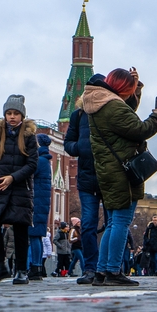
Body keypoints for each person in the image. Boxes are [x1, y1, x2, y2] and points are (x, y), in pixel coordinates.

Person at [83, 69, 157, 287]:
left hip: (108, 170)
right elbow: (139, 128)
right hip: (122, 171)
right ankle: (113, 271)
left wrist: (135, 87)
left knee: (112, 223)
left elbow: (124, 115)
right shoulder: (113, 106)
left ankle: (101, 271)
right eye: (128, 90)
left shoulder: (100, 103)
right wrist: (155, 117)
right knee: (120, 222)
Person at [0, 94, 39, 285]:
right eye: (9, 113)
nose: (12, 117)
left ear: (22, 115)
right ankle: (1, 266)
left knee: (20, 229)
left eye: (16, 113)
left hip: (20, 188)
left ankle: (22, 270)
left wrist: (12, 178)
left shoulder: (29, 137)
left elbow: (32, 165)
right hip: (0, 187)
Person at [65, 91, 100, 285]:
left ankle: (108, 268)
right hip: (87, 177)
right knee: (87, 225)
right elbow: (68, 143)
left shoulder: (111, 110)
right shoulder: (78, 115)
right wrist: (82, 147)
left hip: (109, 177)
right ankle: (90, 269)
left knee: (113, 224)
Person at [26, 133, 53, 281]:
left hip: (36, 203)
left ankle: (35, 266)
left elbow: (28, 173)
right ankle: (37, 266)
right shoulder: (45, 161)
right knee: (36, 236)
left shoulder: (40, 161)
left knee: (35, 236)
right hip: (41, 203)